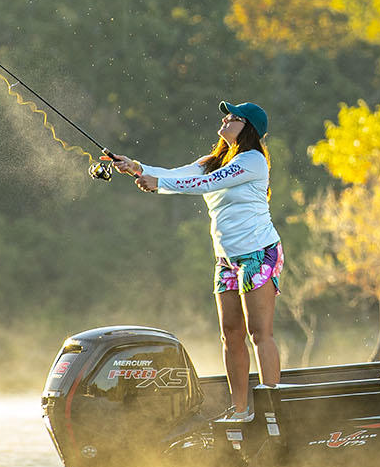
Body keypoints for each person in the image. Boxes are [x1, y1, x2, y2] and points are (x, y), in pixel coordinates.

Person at [107, 100, 282, 423]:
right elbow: (176, 175)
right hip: (226, 259)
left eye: (233, 117)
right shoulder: (212, 161)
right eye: (226, 116)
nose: (225, 120)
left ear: (248, 128)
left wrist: (160, 185)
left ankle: (274, 412)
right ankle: (240, 410)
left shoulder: (253, 160)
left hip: (258, 253)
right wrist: (136, 167)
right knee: (230, 334)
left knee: (260, 333)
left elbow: (207, 184)